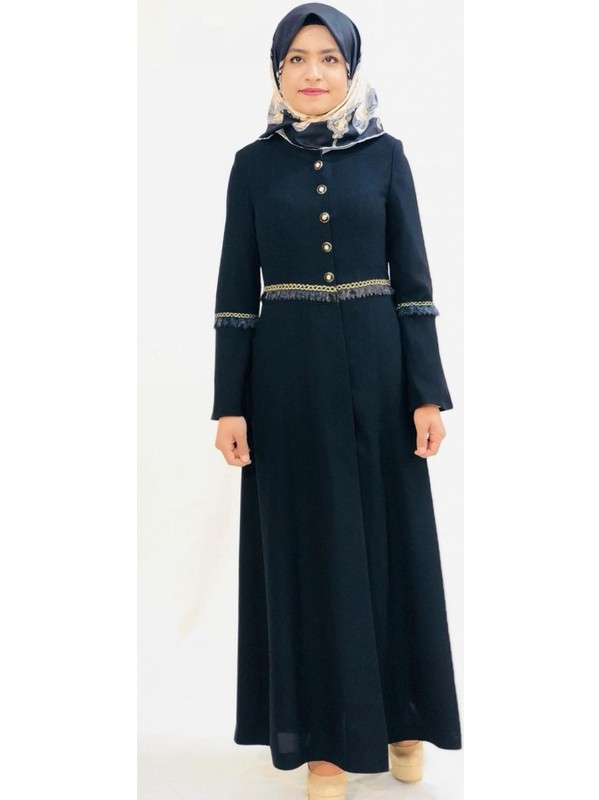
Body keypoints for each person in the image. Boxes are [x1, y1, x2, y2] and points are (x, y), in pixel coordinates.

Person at [210, 3, 462, 797]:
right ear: (277, 70)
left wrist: (427, 394)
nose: (312, 72)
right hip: (285, 387)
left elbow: (414, 285)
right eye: (296, 58)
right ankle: (323, 742)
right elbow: (234, 293)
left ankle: (403, 718)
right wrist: (229, 403)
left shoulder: (387, 156)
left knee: (393, 546)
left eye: (328, 58)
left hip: (382, 382)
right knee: (307, 553)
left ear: (350, 69)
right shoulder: (253, 166)